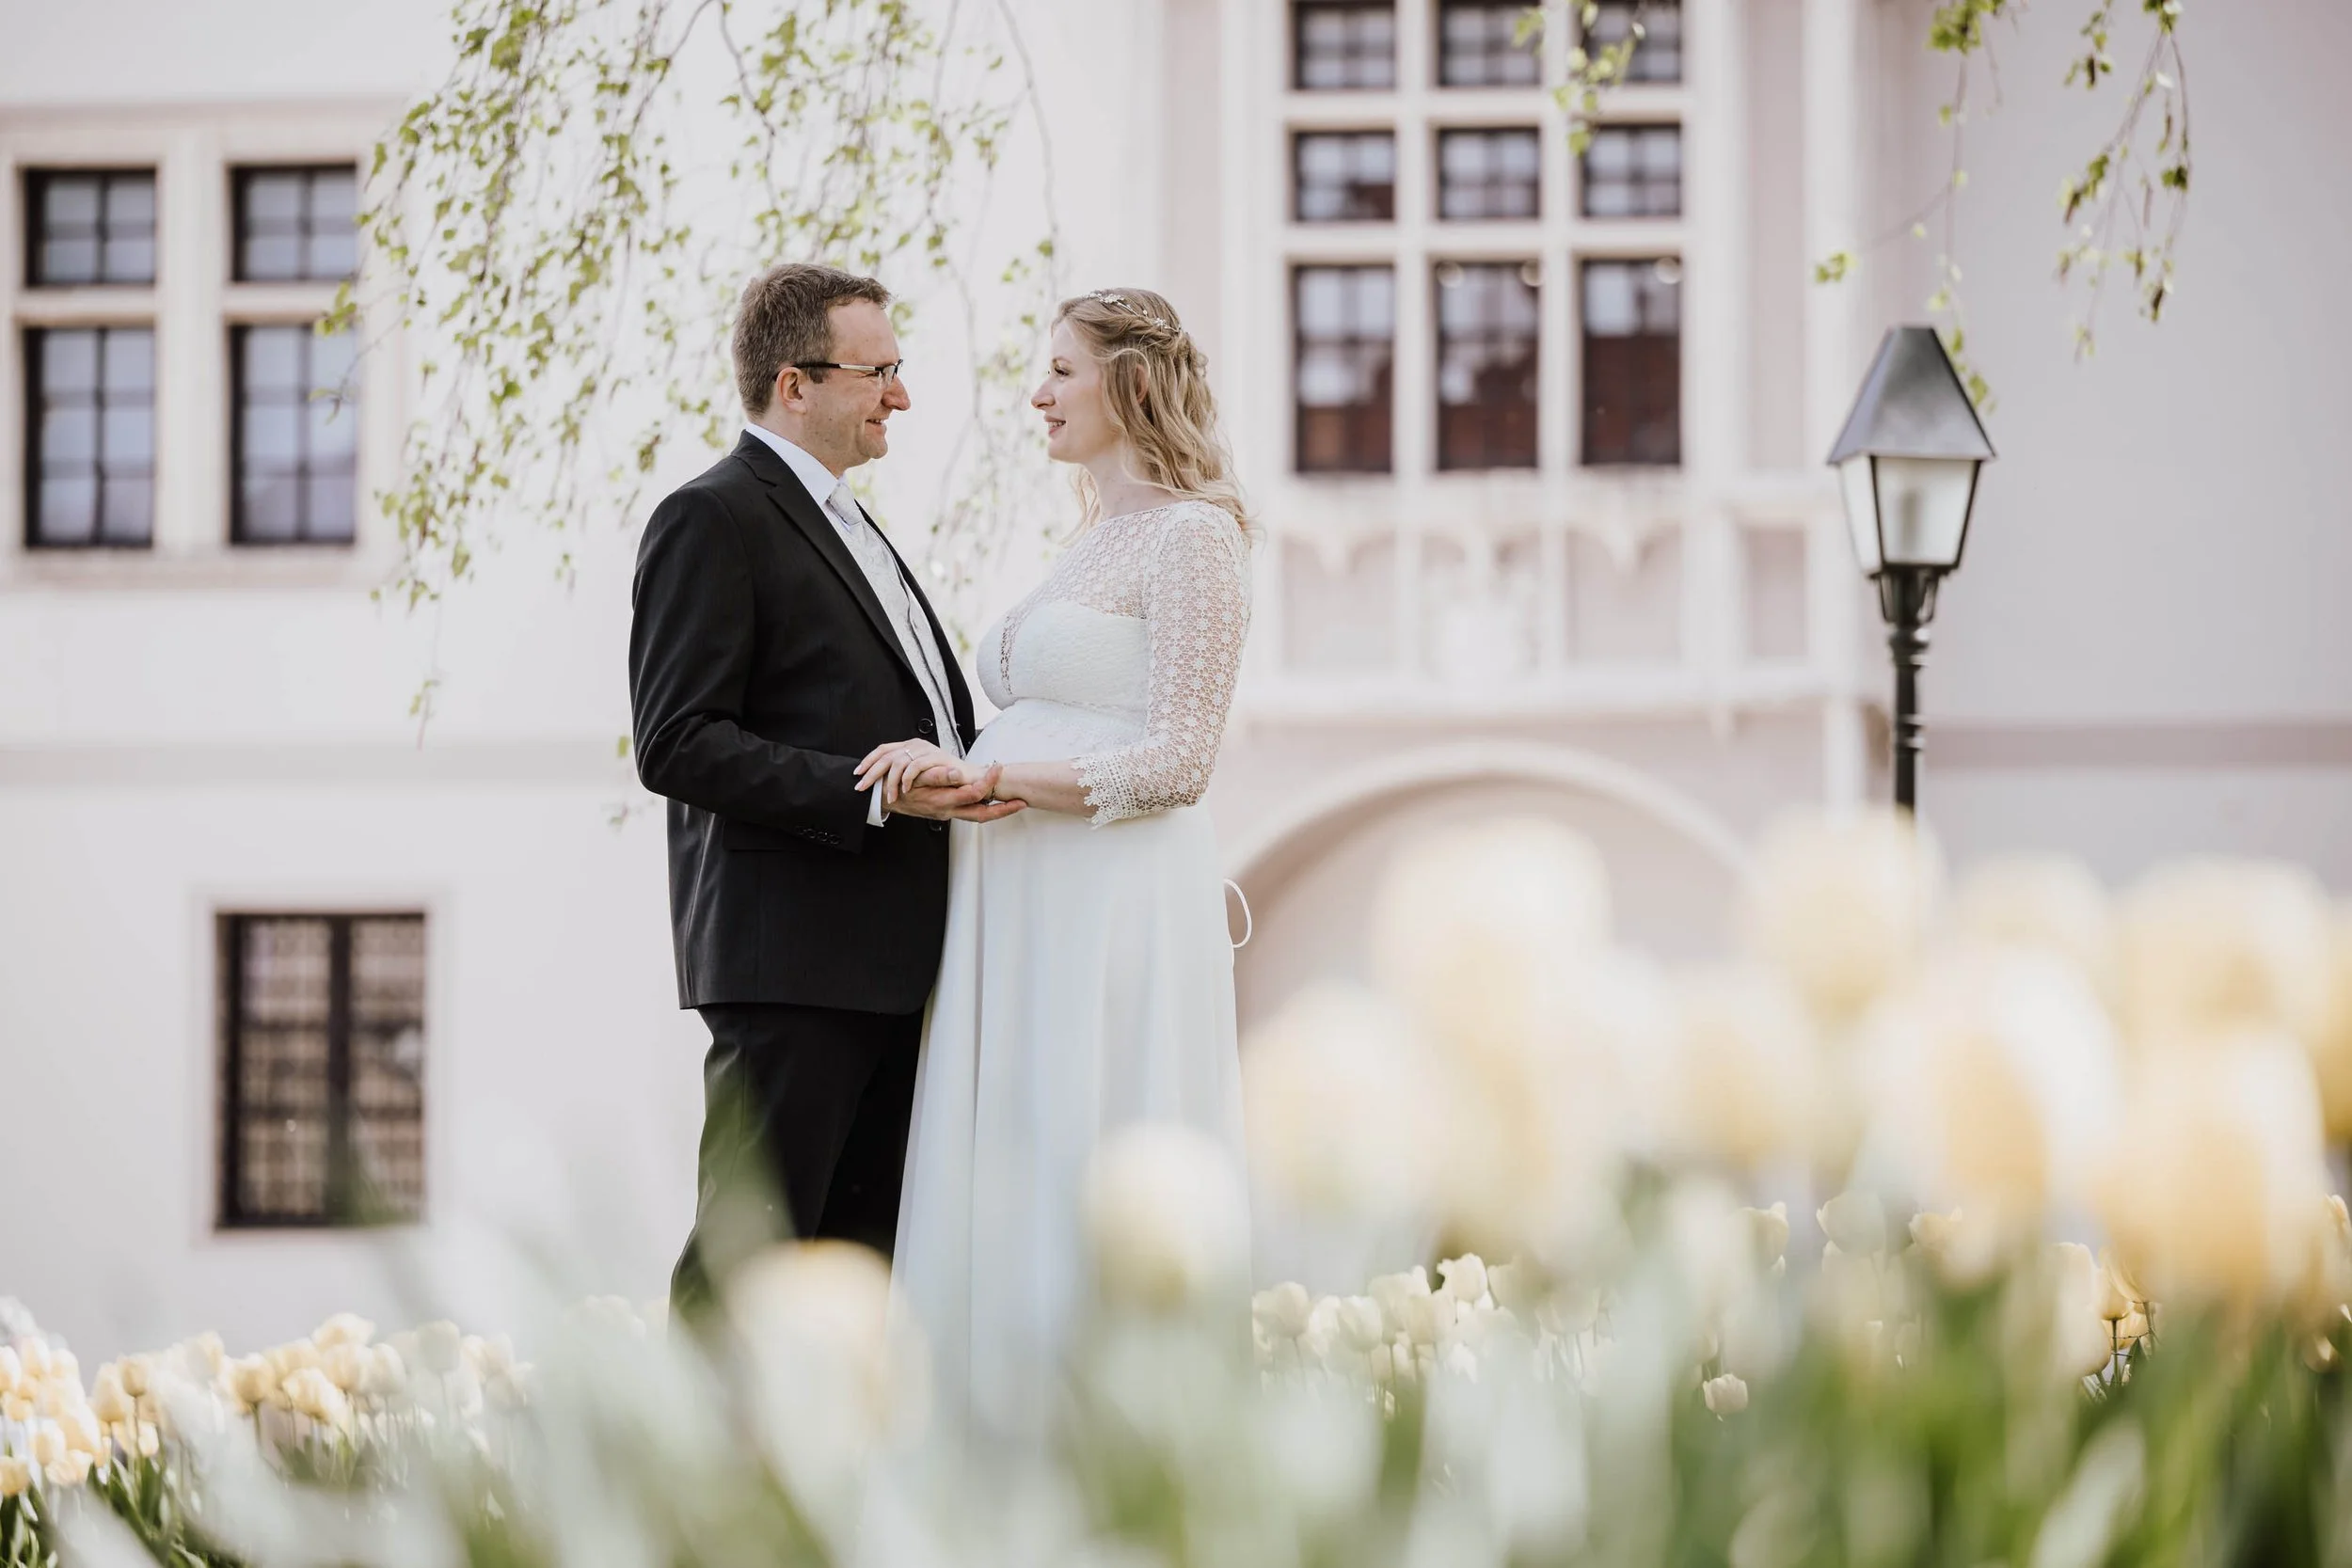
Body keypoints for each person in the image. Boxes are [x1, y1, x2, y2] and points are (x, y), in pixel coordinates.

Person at [871, 287, 1255, 1436]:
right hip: (1021, 899)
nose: (1037, 394)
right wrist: (949, 767)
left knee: (1090, 1134)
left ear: (1128, 384)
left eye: (1060, 371)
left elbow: (1179, 761)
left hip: (1111, 903)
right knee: (1014, 1146)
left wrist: (990, 782)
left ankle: (1104, 1440)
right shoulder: (1090, 539)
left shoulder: (1197, 535)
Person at [628, 262, 1024, 1323]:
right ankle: (691, 1491)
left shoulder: (857, 526)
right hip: (794, 968)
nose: (900, 394)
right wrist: (880, 795)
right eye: (879, 371)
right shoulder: (710, 518)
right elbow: (676, 741)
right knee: (744, 1269)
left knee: (852, 1290)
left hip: (894, 967)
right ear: (794, 384)